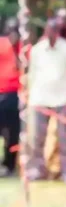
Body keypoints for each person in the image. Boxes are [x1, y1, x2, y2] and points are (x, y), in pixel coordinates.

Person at [27, 17, 66, 182]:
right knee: (38, 137)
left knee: (65, 138)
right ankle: (37, 169)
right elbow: (33, 74)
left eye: (53, 30)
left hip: (62, 99)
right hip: (40, 98)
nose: (50, 34)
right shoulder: (37, 50)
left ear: (58, 32)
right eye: (48, 30)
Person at [0, 19, 20, 178]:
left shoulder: (22, 47)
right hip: (2, 93)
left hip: (14, 94)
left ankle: (10, 164)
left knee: (12, 133)